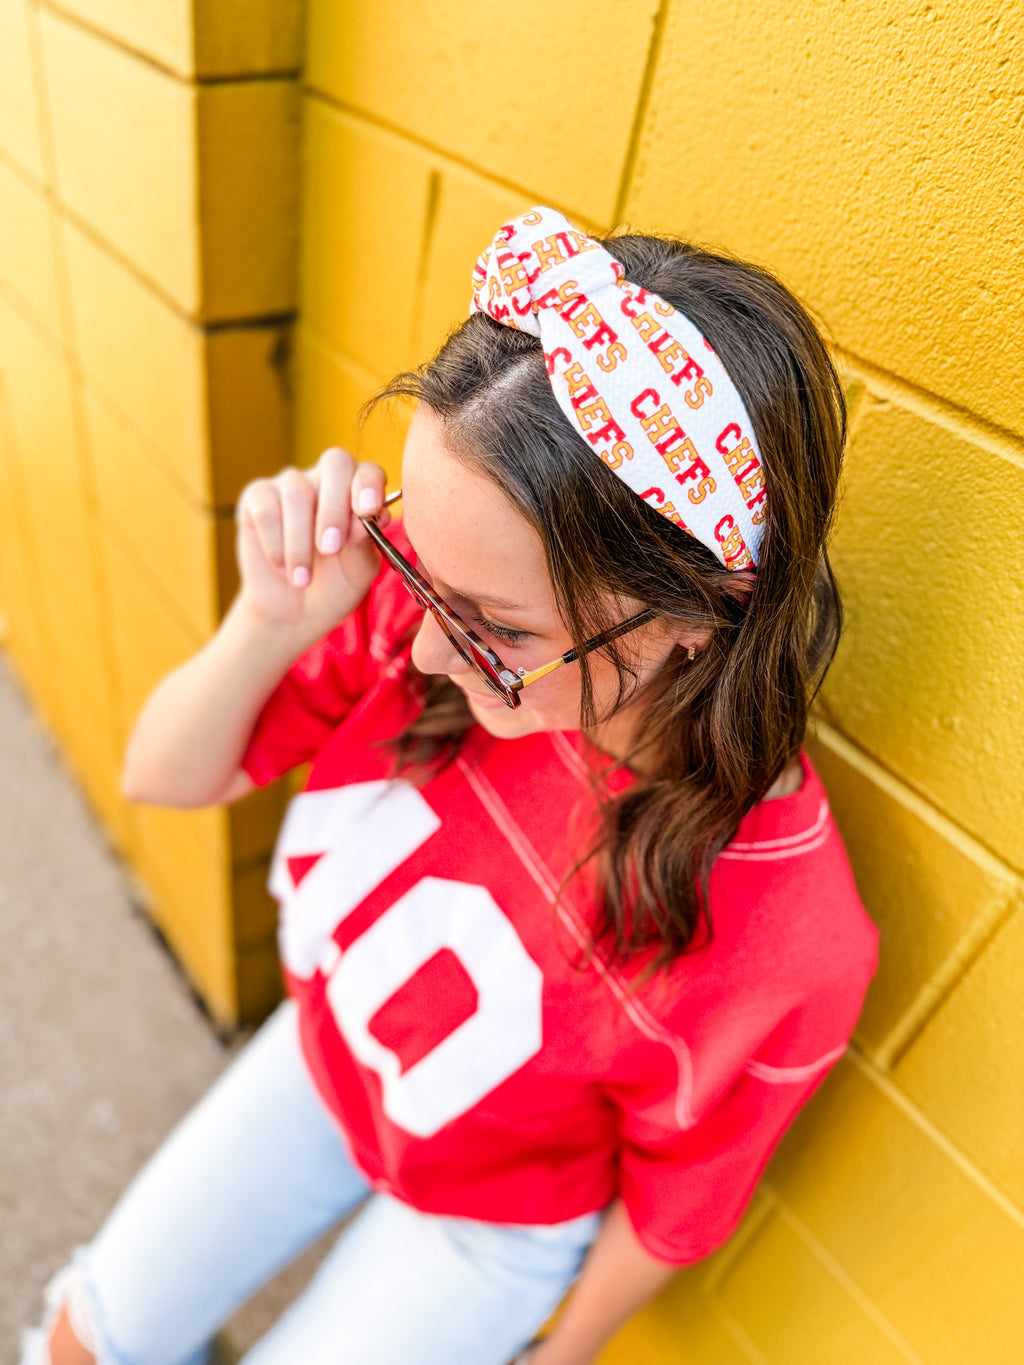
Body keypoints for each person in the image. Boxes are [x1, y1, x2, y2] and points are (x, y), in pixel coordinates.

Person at [28, 206, 877, 1365]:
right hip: (331, 1059)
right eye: (415, 563)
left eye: (494, 626)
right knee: (84, 1337)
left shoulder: (788, 937)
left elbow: (677, 1207)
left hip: (485, 1227)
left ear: (690, 617)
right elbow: (162, 775)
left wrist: (558, 1349)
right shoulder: (422, 617)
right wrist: (271, 622)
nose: (425, 649)